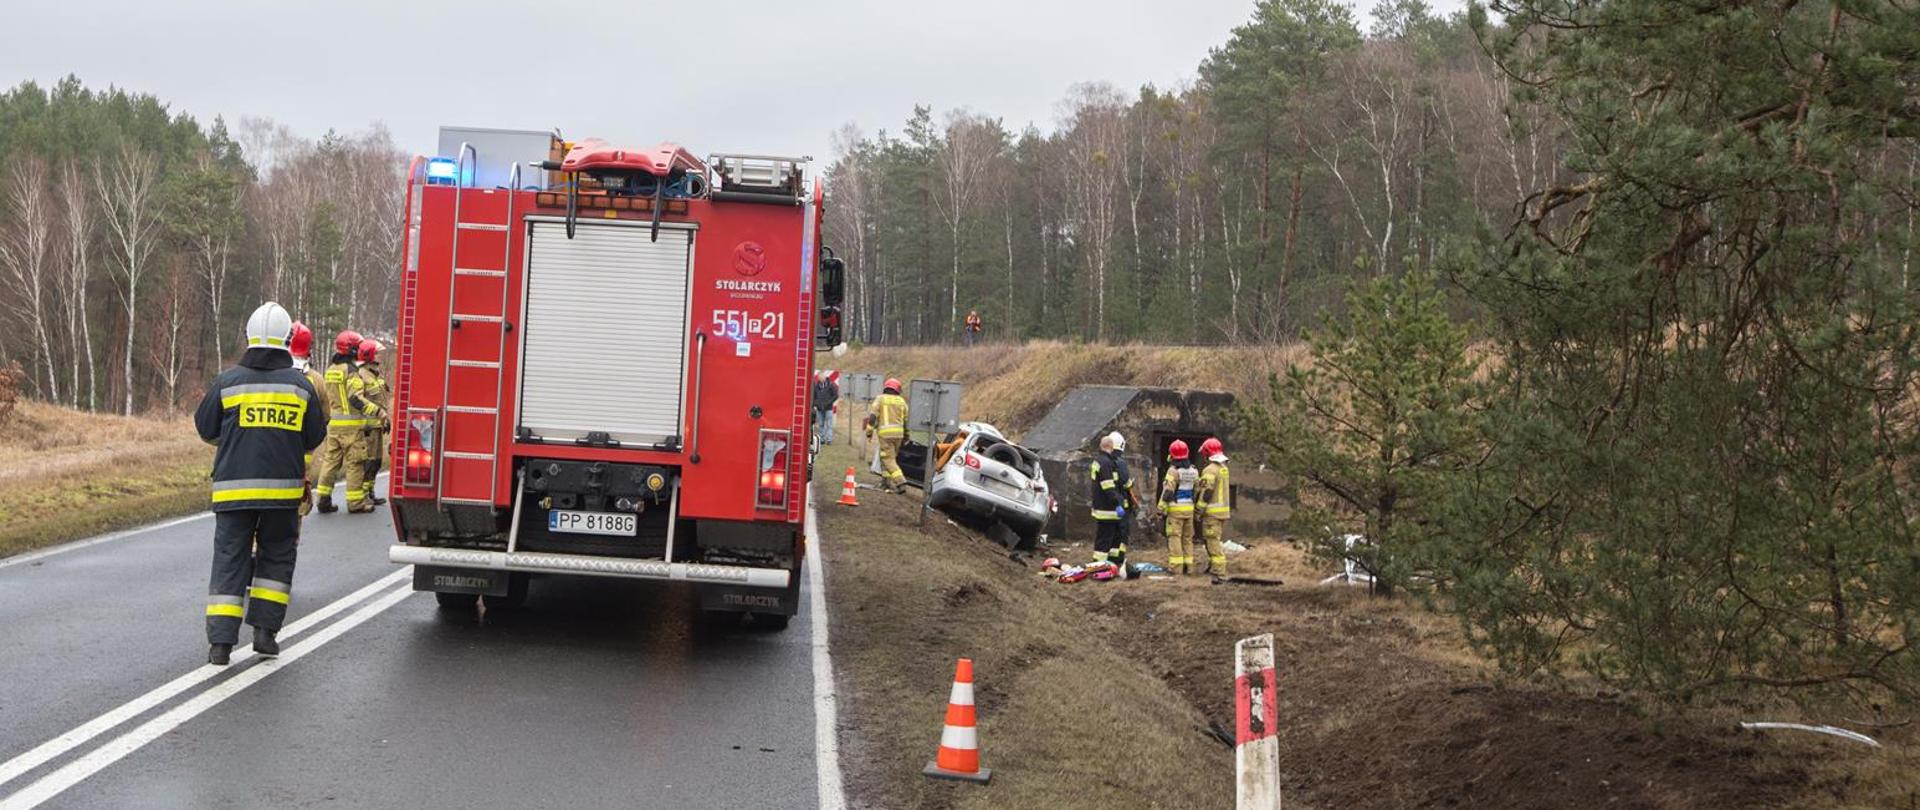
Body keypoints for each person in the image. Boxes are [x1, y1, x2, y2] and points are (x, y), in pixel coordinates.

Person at [194, 302, 328, 665]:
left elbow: (206, 429)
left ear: (249, 337)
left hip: (233, 492)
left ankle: (220, 646)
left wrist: (238, 438)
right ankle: (265, 636)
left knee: (229, 560)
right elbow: (314, 436)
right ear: (287, 339)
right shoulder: (301, 387)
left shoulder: (226, 382)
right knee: (276, 559)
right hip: (281, 496)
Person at [311, 331, 380, 514]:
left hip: (334, 426)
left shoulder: (330, 370)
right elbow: (355, 399)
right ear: (352, 349)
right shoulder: (351, 371)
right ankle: (355, 503)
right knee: (355, 463)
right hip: (351, 427)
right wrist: (377, 411)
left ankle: (323, 500)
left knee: (330, 462)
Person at [289, 322, 333, 518]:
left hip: (266, 452)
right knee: (295, 503)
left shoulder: (269, 374)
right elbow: (325, 417)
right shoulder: (315, 379)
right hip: (302, 454)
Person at [1089, 431, 1134, 567]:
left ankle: (1111, 563)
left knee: (1112, 537)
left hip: (1104, 508)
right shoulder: (1107, 463)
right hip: (1109, 509)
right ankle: (1099, 565)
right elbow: (1109, 487)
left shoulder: (1101, 461)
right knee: (1105, 539)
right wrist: (1118, 504)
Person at [354, 339, 391, 507]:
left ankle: (370, 491)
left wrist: (386, 419)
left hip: (378, 425)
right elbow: (359, 401)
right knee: (368, 462)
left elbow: (382, 399)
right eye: (377, 353)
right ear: (369, 356)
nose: (380, 357)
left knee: (376, 461)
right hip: (368, 427)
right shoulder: (361, 374)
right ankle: (363, 494)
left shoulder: (375, 373)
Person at [1157, 440, 1200, 575]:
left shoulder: (1173, 471)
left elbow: (1168, 492)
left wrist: (1160, 508)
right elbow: (1197, 489)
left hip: (1175, 510)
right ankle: (1190, 567)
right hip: (1189, 509)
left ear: (1172, 455)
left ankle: (1176, 568)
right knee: (1187, 539)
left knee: (1174, 537)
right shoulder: (1194, 470)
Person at [865, 378, 910, 493]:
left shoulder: (880, 399)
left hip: (886, 435)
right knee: (887, 458)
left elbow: (873, 417)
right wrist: (906, 436)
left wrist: (869, 432)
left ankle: (901, 482)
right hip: (899, 435)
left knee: (888, 459)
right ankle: (885, 482)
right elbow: (906, 421)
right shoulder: (902, 402)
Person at [1196, 437, 1232, 579]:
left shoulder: (1209, 470)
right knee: (1212, 539)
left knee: (1212, 541)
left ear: (1207, 453)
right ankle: (1213, 566)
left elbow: (1207, 492)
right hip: (1222, 512)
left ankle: (1219, 571)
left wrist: (1199, 509)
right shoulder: (1224, 468)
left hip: (1212, 513)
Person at [812, 370, 839, 445]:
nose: (821, 379)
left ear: (825, 377)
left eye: (822, 377)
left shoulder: (830, 385)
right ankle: (822, 439)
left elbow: (836, 395)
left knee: (829, 424)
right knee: (821, 424)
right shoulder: (817, 386)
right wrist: (816, 404)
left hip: (828, 408)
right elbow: (814, 397)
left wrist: (828, 403)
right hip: (820, 408)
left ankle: (829, 439)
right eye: (819, 378)